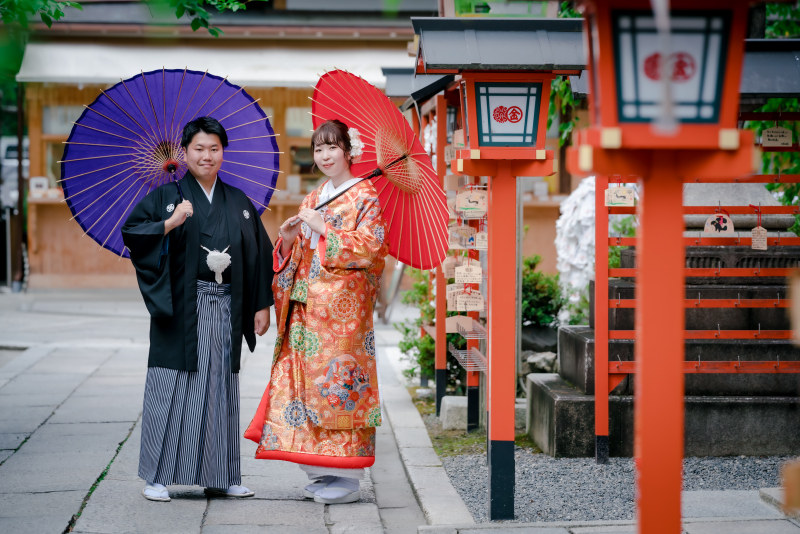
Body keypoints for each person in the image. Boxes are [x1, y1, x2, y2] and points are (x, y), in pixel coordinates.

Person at [121, 116, 274, 502]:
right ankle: (157, 477)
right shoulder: (166, 198)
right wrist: (169, 223)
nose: (207, 156)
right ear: (185, 153)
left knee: (221, 387)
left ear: (223, 152)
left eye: (214, 148)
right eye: (199, 148)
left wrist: (261, 304)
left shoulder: (238, 201)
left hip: (226, 306)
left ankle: (221, 475)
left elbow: (259, 253)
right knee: (170, 385)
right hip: (181, 309)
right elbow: (133, 233)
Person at [244, 119, 388, 504]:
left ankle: (348, 478)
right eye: (319, 148)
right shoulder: (314, 197)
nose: (324, 155)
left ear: (349, 151)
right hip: (305, 309)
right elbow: (298, 257)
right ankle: (320, 469)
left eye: (332, 147)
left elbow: (373, 250)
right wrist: (287, 242)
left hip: (342, 317)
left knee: (340, 387)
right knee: (302, 387)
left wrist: (325, 229)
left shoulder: (365, 195)